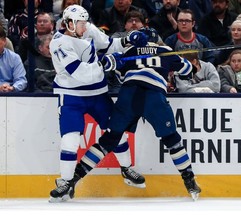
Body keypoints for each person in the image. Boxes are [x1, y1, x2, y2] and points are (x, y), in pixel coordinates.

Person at [65, 27, 201, 202]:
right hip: (154, 97)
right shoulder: (166, 51)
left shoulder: (128, 51)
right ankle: (189, 182)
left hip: (128, 95)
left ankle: (73, 180)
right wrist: (192, 67)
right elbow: (188, 71)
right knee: (172, 140)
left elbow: (121, 77)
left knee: (109, 140)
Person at [48, 4, 148, 202]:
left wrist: (129, 39)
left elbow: (110, 44)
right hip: (71, 96)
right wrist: (106, 63)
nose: (85, 28)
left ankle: (126, 169)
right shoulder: (59, 43)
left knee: (116, 130)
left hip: (98, 93)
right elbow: (79, 73)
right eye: (81, 24)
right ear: (69, 24)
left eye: (86, 23)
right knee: (71, 139)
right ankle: (65, 182)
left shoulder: (87, 29)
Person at [0, 25, 27, 92]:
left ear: (4, 41)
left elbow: (21, 80)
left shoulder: (14, 58)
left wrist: (13, 88)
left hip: (10, 95)